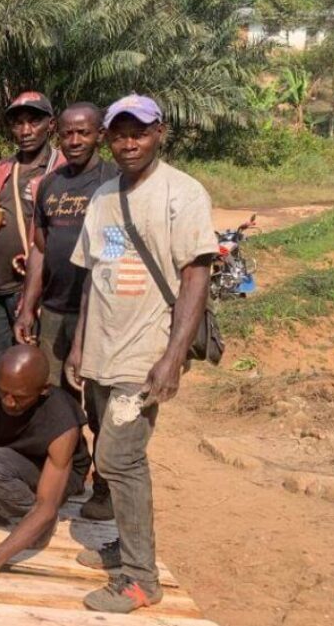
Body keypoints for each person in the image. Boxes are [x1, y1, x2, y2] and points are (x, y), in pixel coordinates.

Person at [66, 95, 217, 613]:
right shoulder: (105, 195)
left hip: (147, 349)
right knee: (117, 454)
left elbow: (197, 277)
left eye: (141, 132)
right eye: (120, 133)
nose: (129, 142)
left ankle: (139, 578)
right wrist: (81, 343)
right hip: (104, 348)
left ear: (161, 134)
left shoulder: (183, 193)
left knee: (118, 457)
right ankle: (126, 546)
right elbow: (96, 276)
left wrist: (173, 357)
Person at [13, 102, 119, 521]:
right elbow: (39, 248)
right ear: (58, 133)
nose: (75, 141)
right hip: (55, 311)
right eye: (69, 134)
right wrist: (27, 307)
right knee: (58, 401)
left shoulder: (112, 180)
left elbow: (114, 250)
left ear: (100, 135)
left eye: (85, 133)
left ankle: (107, 487)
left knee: (100, 406)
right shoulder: (51, 184)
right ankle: (71, 472)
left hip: (101, 315)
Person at [0, 345, 90, 587]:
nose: (9, 402)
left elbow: (46, 505)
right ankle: (20, 508)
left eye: (19, 397)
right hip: (10, 456)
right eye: (3, 393)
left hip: (55, 474)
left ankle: (36, 528)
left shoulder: (62, 422)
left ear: (43, 390)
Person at [0, 92, 62, 363]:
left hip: (36, 288)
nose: (25, 130)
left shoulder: (61, 169)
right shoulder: (3, 168)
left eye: (34, 122)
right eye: (18, 123)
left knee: (32, 367)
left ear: (51, 124)